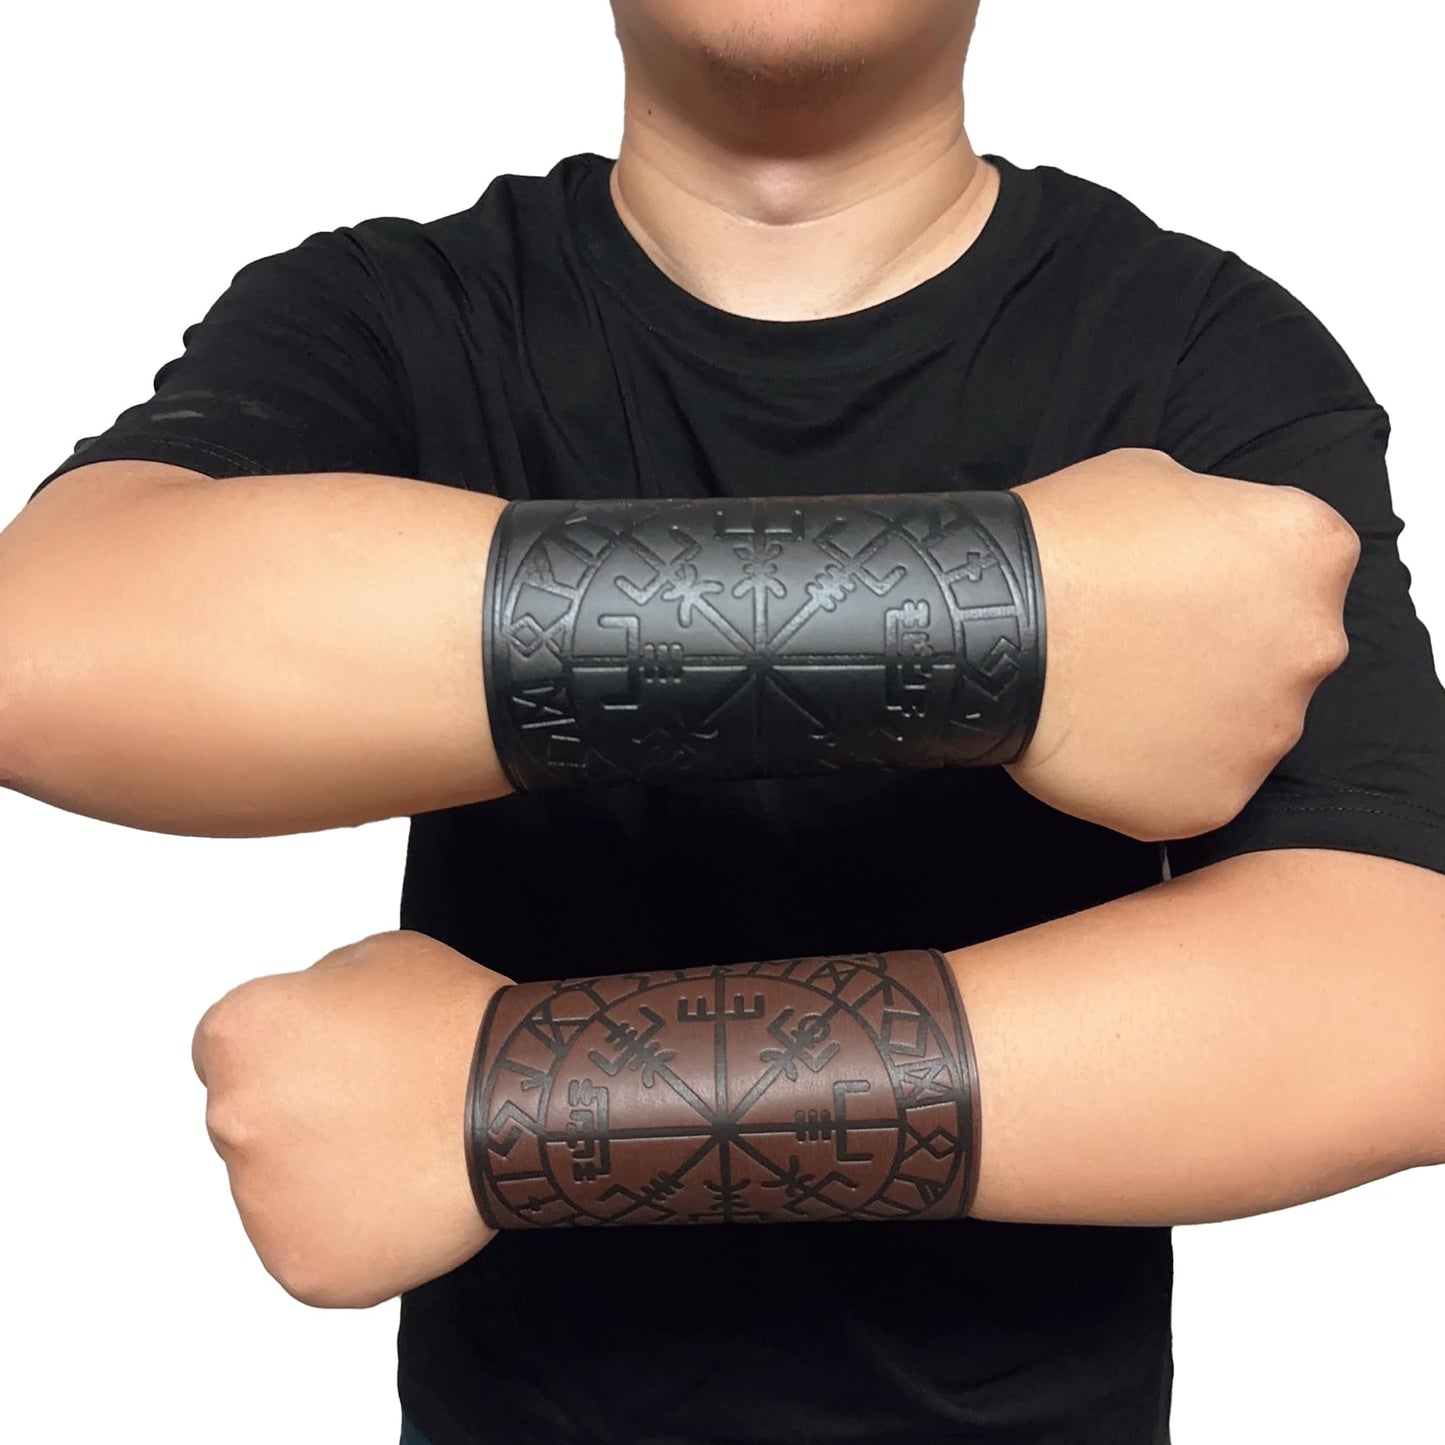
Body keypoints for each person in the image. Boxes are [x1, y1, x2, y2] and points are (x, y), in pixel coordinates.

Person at [2, 3, 1443, 1443]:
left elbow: (1398, 992)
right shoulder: (391, 313)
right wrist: (1000, 616)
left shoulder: (1194, 345)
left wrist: (515, 1105)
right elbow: (45, 646)